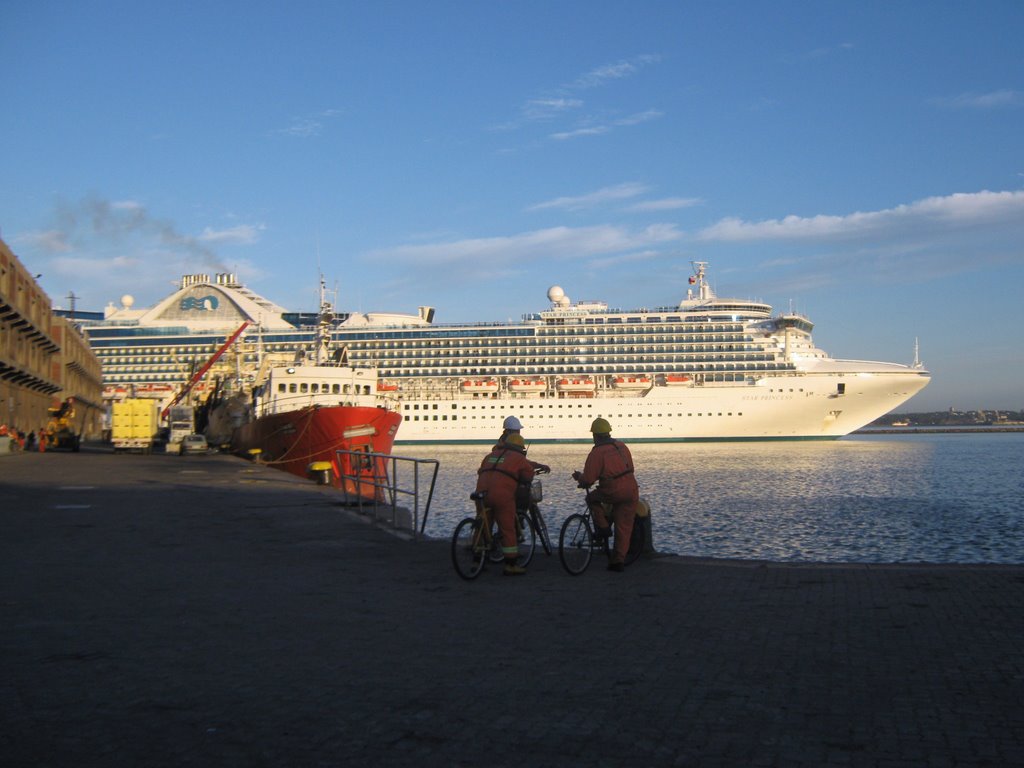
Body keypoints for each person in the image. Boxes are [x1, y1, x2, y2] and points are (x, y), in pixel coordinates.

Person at [572, 417, 639, 572]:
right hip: (631, 488)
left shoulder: (597, 452)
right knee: (624, 527)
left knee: (591, 498)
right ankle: (618, 562)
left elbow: (588, 479)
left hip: (612, 489)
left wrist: (579, 478)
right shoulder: (621, 446)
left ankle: (603, 527)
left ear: (595, 435)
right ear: (608, 432)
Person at [475, 433, 535, 575]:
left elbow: (481, 471)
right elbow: (528, 475)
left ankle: (477, 561)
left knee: (483, 525)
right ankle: (510, 565)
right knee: (507, 529)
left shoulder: (490, 455)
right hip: (501, 496)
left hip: (481, 493)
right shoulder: (519, 458)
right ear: (521, 448)